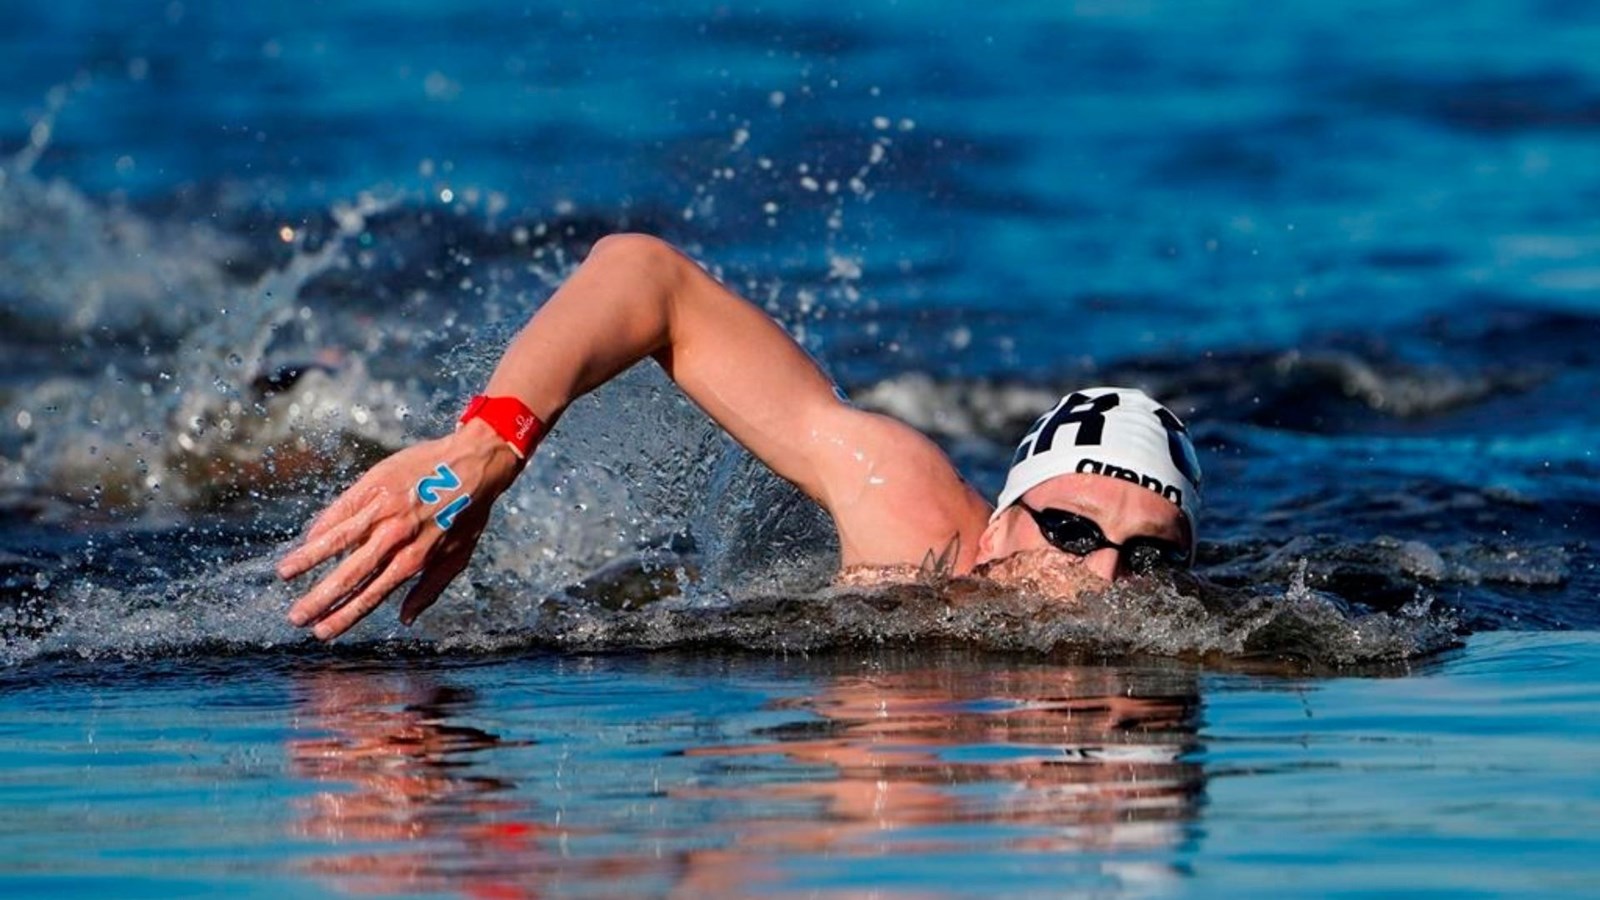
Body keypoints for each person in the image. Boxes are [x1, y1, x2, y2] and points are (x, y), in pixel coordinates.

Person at [277, 234, 1203, 641]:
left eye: (1149, 560)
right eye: (1072, 533)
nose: (1105, 581)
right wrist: (487, 448)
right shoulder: (900, 499)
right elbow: (647, 278)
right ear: (1001, 522)